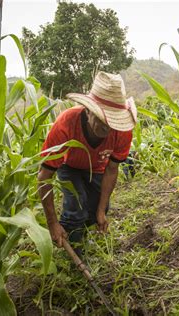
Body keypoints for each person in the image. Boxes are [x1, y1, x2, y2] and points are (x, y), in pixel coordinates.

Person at [38, 71, 137, 254]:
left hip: (98, 168)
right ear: (88, 110)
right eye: (102, 118)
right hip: (70, 166)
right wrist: (52, 223)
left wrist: (101, 211)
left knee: (97, 210)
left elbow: (112, 169)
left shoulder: (122, 130)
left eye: (112, 121)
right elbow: (44, 176)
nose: (107, 127)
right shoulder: (66, 123)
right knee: (76, 209)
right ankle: (72, 252)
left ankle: (80, 236)